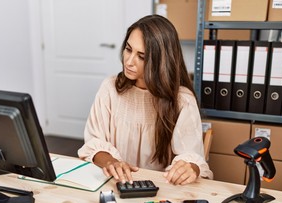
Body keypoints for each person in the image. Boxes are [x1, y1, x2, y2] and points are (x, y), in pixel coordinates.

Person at [78, 14, 213, 185]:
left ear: (161, 62)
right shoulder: (110, 88)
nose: (129, 61)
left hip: (161, 191)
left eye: (141, 56)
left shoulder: (182, 100)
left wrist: (190, 168)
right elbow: (94, 142)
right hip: (115, 184)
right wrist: (111, 162)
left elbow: (191, 159)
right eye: (128, 49)